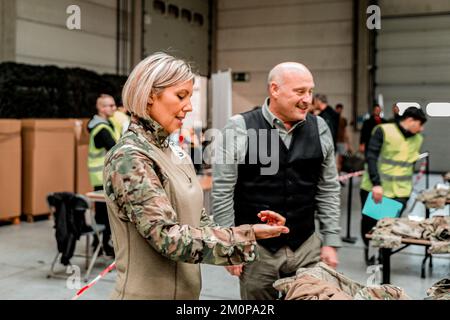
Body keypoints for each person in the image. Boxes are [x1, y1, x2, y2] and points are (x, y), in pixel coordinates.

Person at [103, 52, 290, 300]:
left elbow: (198, 221)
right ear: (149, 95)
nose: (189, 107)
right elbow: (168, 238)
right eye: (181, 96)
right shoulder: (130, 158)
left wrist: (248, 231)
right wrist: (244, 237)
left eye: (190, 97)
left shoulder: (174, 151)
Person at [212, 62, 341, 300]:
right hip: (257, 251)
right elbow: (222, 190)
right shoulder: (239, 127)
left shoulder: (320, 127)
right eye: (300, 91)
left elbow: (328, 188)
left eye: (310, 91)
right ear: (275, 90)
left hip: (306, 246)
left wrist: (331, 240)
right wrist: (229, 246)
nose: (307, 99)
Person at [360, 107, 427, 264]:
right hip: (377, 189)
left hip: (401, 191)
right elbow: (371, 157)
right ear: (410, 120)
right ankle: (370, 253)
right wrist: (376, 183)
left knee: (390, 226)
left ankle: (384, 256)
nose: (421, 129)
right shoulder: (383, 131)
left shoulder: (418, 139)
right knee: (371, 226)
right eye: (420, 124)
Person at [87, 94, 119, 257]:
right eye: (110, 106)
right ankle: (102, 245)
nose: (114, 108)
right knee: (105, 213)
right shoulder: (102, 129)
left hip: (100, 176)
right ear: (101, 108)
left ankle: (98, 243)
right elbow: (115, 149)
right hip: (103, 176)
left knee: (102, 212)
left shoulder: (103, 124)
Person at [335, 103, 352, 173]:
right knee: (334, 159)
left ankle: (339, 174)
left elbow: (345, 132)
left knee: (341, 159)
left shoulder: (343, 120)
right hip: (334, 141)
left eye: (340, 110)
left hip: (341, 142)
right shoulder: (332, 119)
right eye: (338, 110)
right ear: (336, 110)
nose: (339, 111)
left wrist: (348, 145)